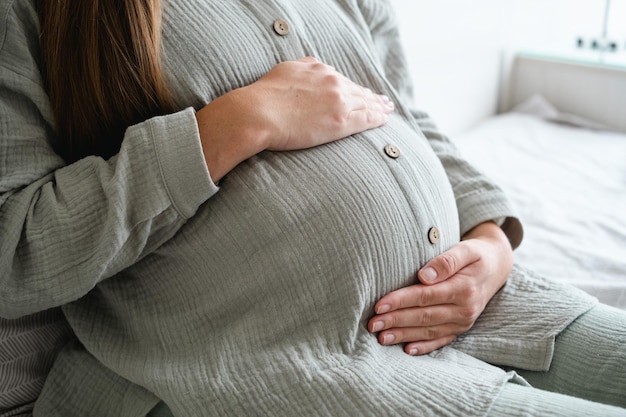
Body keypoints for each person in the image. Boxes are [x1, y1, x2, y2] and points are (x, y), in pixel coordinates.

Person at [0, 0, 625, 416]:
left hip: (483, 303)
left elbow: (401, 110)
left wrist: (492, 244)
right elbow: (15, 249)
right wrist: (239, 123)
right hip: (291, 365)